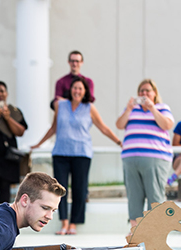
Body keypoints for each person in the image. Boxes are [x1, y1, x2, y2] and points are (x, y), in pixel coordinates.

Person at [32, 77, 120, 235]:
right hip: (60, 153)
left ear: (85, 91)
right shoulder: (60, 105)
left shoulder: (89, 108)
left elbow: (103, 128)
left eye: (80, 88)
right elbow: (53, 128)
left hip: (81, 153)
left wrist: (119, 141)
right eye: (75, 88)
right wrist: (38, 144)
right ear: (70, 90)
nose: (77, 91)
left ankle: (73, 223)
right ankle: (64, 222)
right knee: (58, 189)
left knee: (79, 189)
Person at [115, 79, 175, 228]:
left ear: (154, 93)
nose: (144, 93)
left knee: (155, 195)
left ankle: (153, 231)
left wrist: (152, 109)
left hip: (155, 158)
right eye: (141, 91)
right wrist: (128, 109)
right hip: (131, 159)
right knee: (134, 196)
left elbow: (167, 124)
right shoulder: (131, 109)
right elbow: (119, 125)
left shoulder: (162, 108)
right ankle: (135, 230)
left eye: (148, 90)